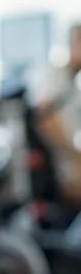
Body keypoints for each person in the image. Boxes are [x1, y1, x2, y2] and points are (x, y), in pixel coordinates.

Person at [34, 23, 81, 208]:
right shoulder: (55, 78)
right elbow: (46, 120)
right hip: (58, 172)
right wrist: (76, 158)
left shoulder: (72, 85)